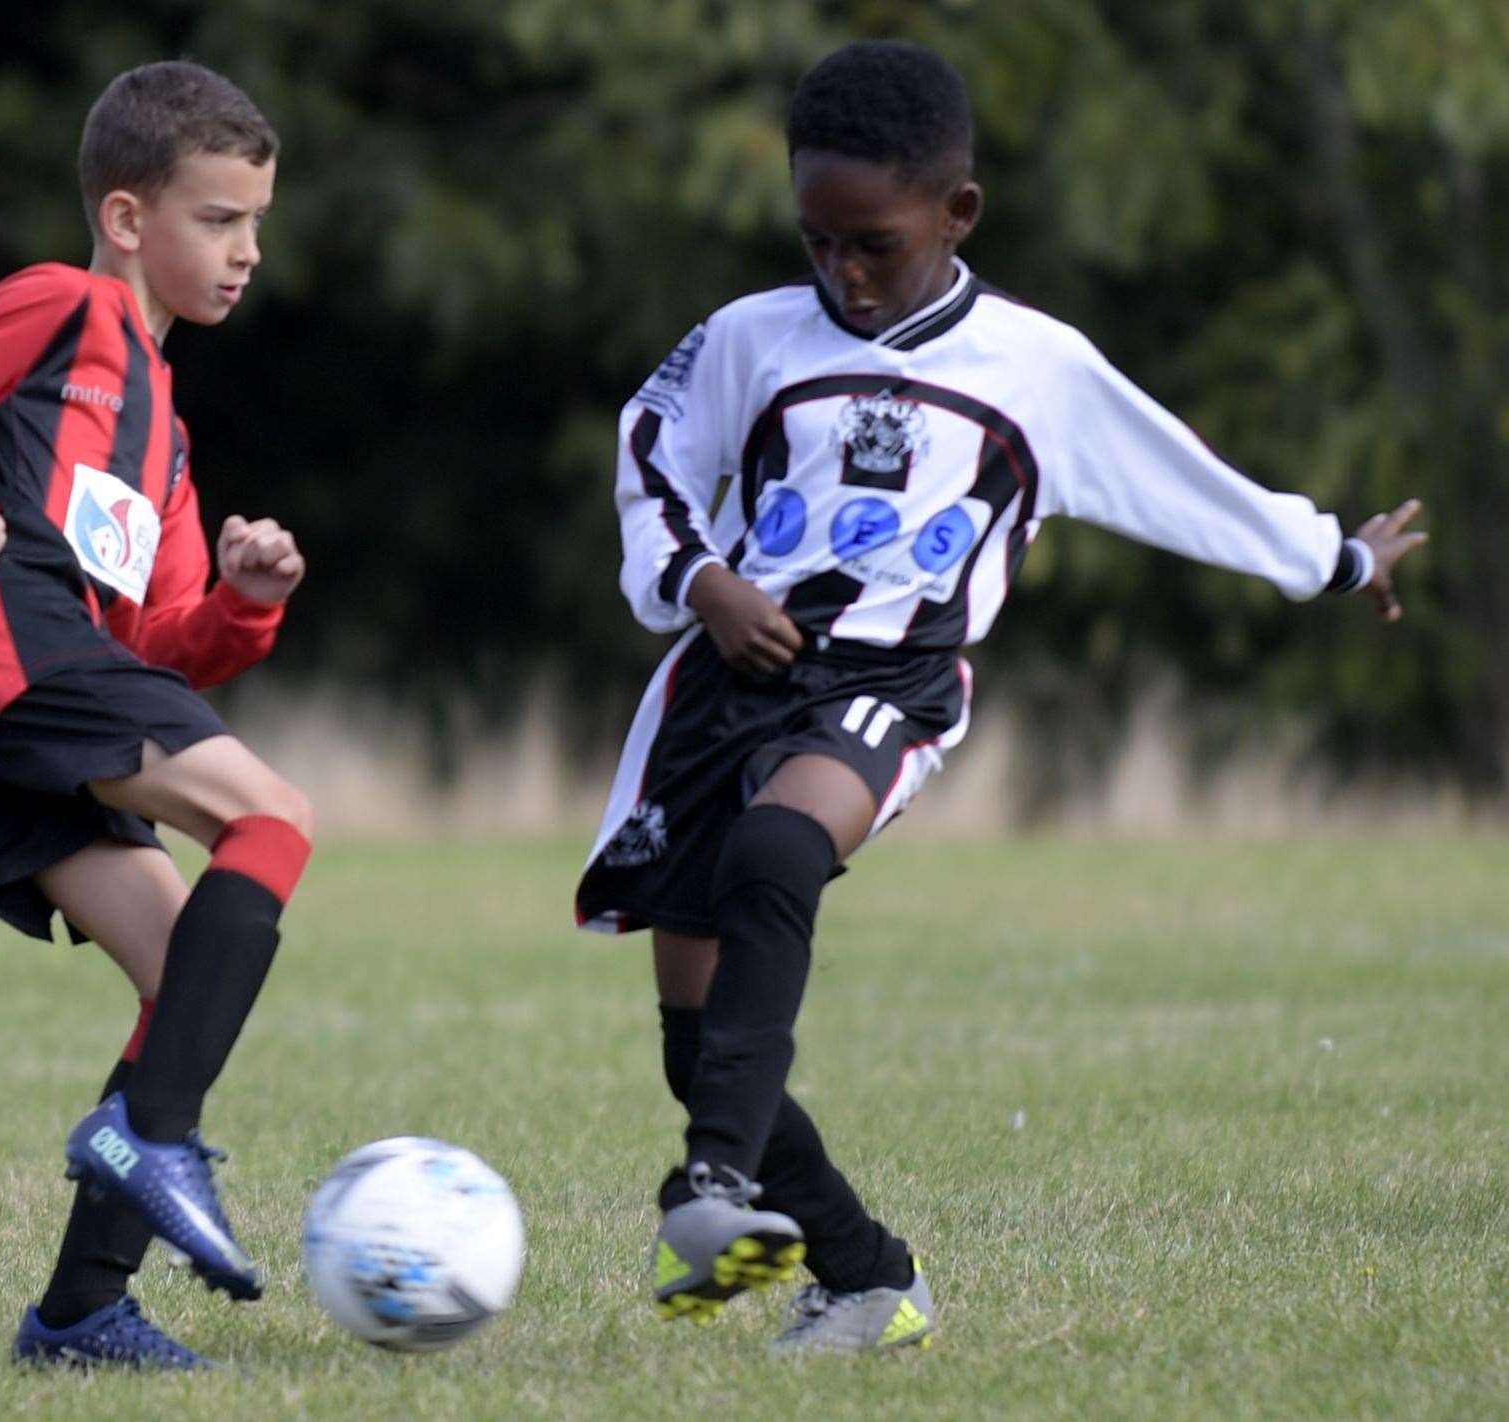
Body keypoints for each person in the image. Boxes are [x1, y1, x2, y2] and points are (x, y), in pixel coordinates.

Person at [575, 40, 1427, 1356]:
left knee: (776, 851)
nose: (840, 272)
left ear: (953, 212)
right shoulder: (747, 337)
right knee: (699, 1041)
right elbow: (649, 452)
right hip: (718, 688)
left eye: (870, 242)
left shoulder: (1035, 366)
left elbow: (1181, 480)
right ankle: (867, 1276)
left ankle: (709, 1192)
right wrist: (698, 582)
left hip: (889, 683)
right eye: (815, 240)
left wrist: (1333, 556)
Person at [0, 61, 314, 1370]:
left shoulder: (167, 439)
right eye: (217, 220)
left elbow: (158, 646)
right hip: (0, 661)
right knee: (274, 821)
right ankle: (150, 1138)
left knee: (183, 979)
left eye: (254, 224)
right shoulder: (63, 311)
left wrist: (245, 603)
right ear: (123, 218)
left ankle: (78, 1310)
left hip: (37, 703)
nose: (245, 251)